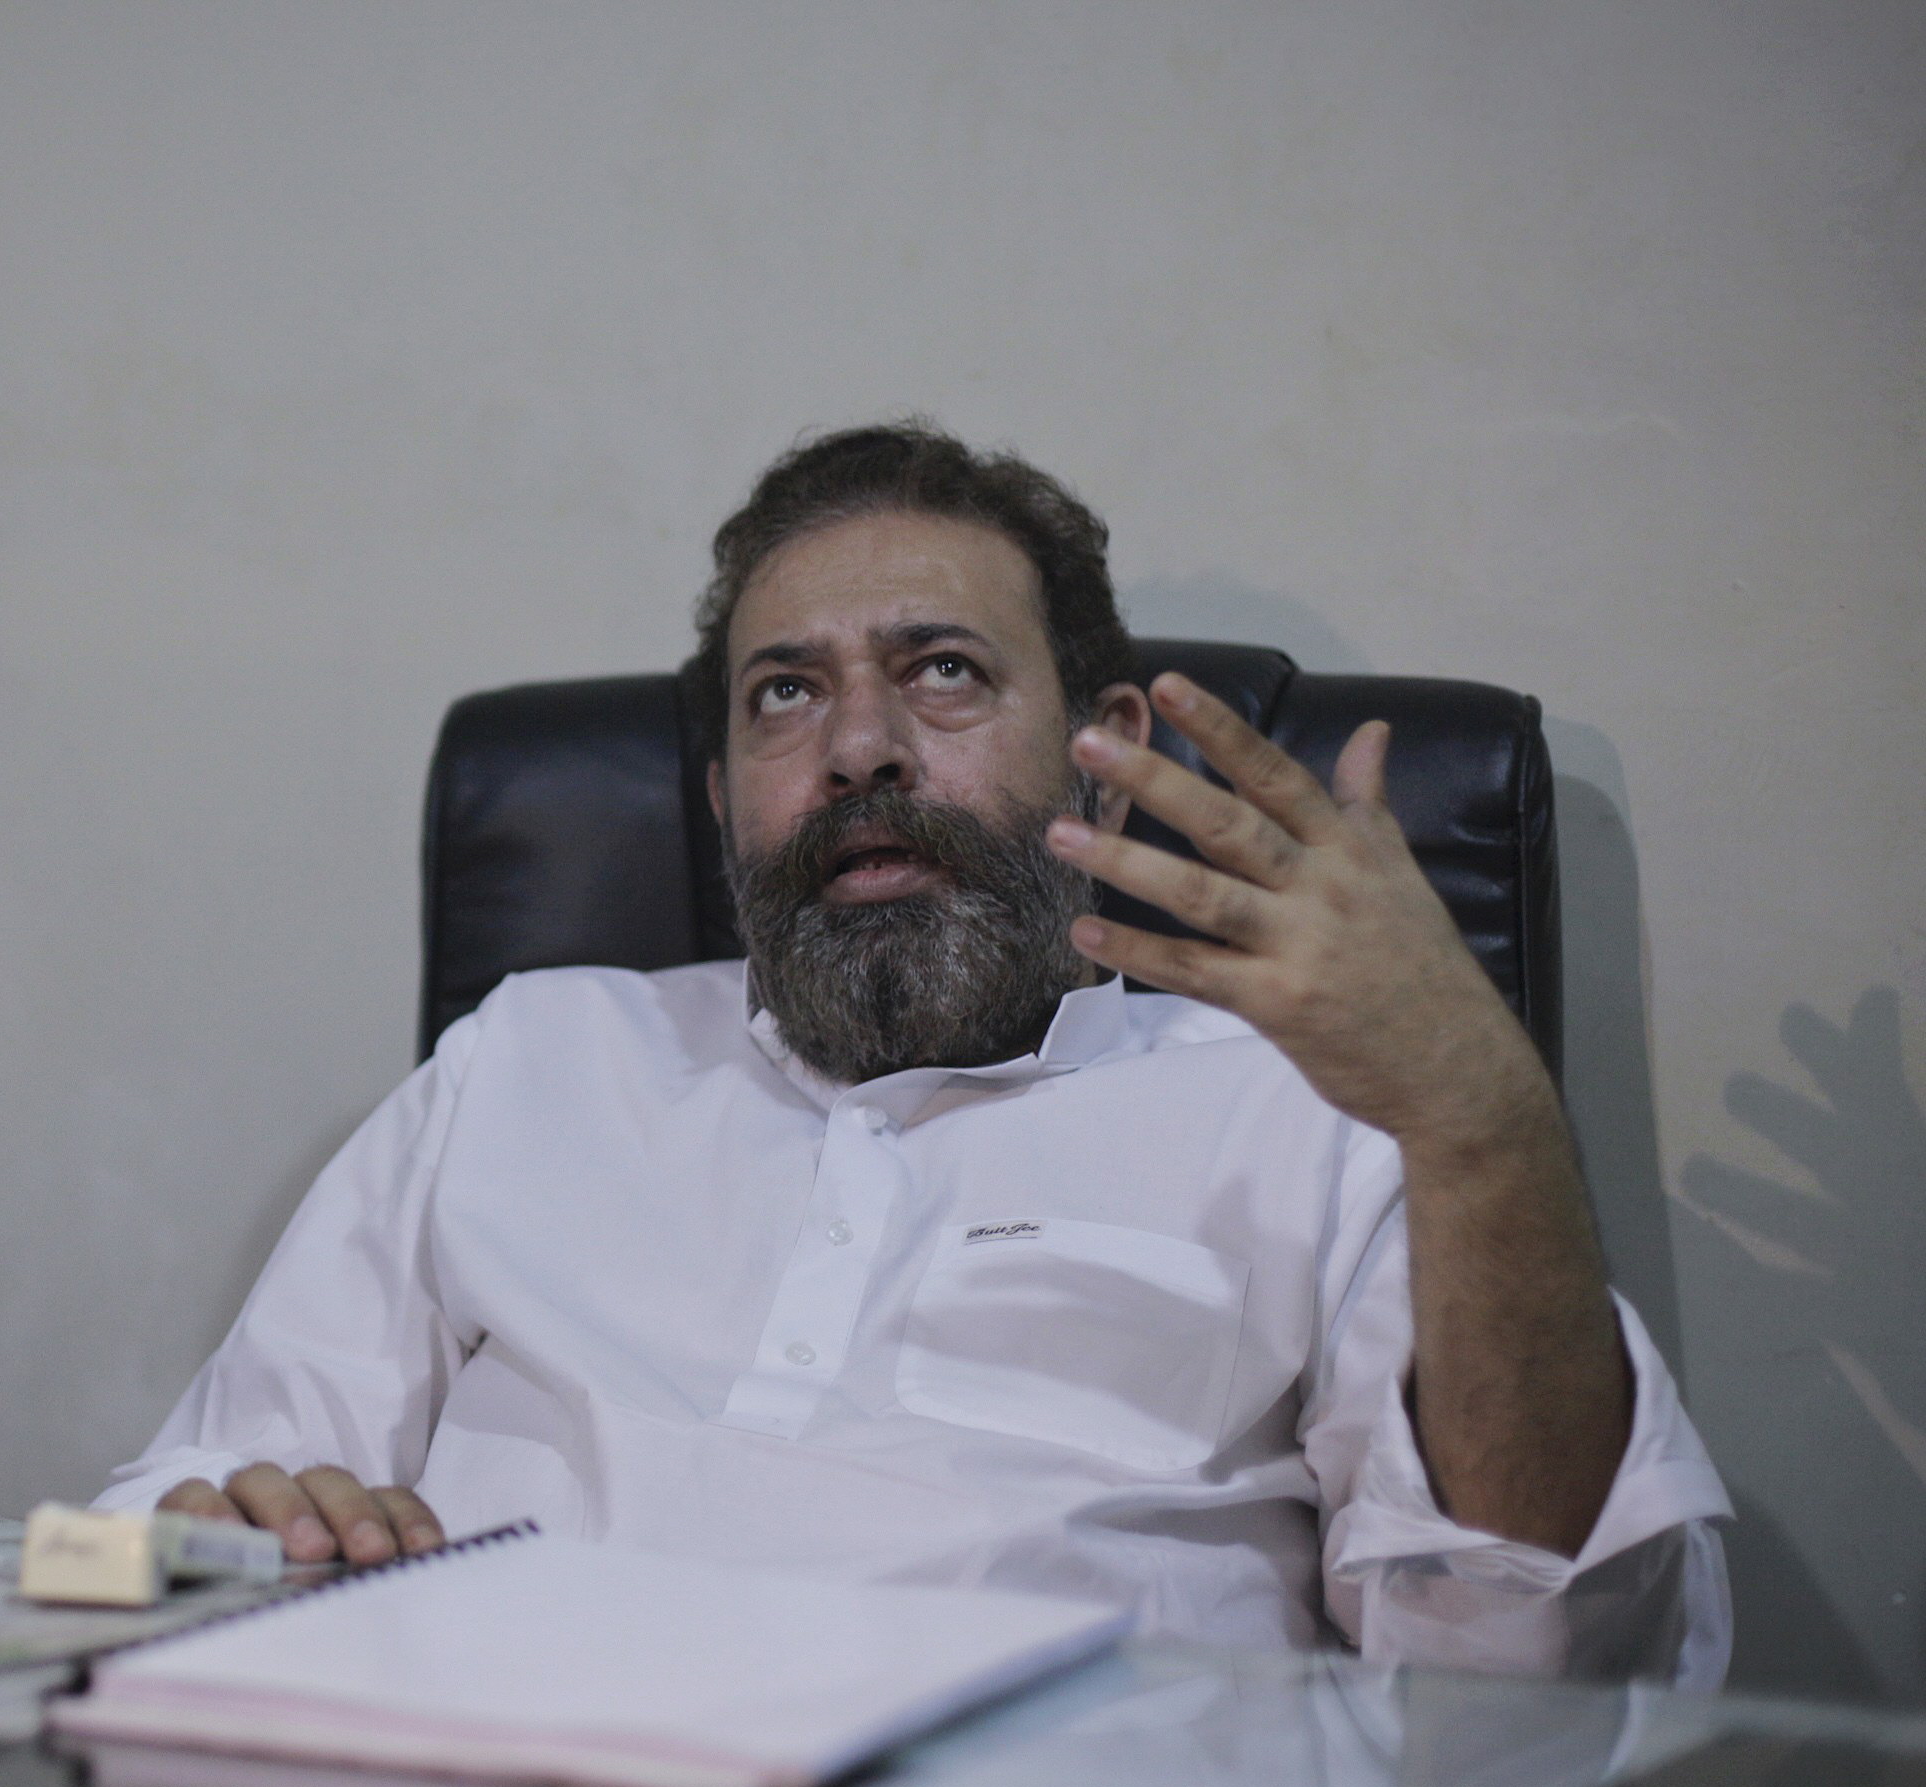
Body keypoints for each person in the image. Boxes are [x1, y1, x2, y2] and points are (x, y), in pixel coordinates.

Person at [96, 421, 1730, 1682]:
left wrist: (1479, 1113)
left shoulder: (1304, 1110)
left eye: (940, 672)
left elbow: (1538, 1661)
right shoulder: (527, 1063)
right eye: (783, 696)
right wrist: (224, 1532)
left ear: (1106, 759)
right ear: (725, 789)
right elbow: (168, 1522)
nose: (859, 749)